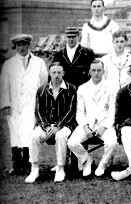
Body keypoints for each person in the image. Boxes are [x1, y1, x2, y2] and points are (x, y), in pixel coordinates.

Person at [0, 34, 48, 175]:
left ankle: (28, 163)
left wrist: (41, 105)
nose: (22, 48)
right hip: (15, 105)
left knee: (29, 133)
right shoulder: (9, 64)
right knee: (15, 133)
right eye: (19, 45)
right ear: (15, 46)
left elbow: (44, 84)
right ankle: (16, 164)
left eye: (24, 45)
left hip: (32, 104)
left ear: (29, 45)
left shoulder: (39, 63)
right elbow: (4, 86)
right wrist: (5, 104)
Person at [25, 62, 77, 183]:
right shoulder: (41, 90)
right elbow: (38, 112)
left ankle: (60, 167)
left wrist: (58, 126)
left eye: (59, 72)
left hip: (65, 125)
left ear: (63, 73)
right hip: (46, 126)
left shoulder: (71, 89)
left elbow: (71, 111)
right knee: (33, 136)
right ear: (49, 73)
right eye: (54, 72)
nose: (56, 75)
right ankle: (34, 168)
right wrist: (47, 126)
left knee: (60, 136)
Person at [67, 60, 118, 178]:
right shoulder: (82, 88)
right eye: (93, 70)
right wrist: (85, 127)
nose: (96, 73)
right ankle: (87, 159)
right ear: (89, 72)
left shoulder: (111, 88)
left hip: (105, 124)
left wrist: (104, 127)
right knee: (71, 142)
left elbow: (112, 112)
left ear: (103, 72)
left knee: (112, 142)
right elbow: (80, 113)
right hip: (87, 124)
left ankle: (103, 164)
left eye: (99, 70)